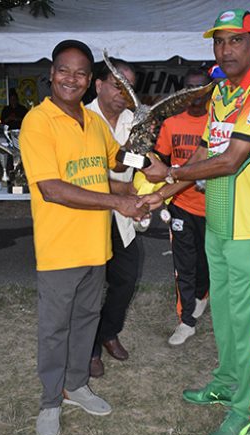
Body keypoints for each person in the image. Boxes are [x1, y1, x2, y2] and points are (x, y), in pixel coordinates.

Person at [140, 9, 250, 435]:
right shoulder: (221, 91)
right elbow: (204, 150)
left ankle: (247, 412)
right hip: (218, 222)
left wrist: (168, 175)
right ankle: (225, 382)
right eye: (219, 42)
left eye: (236, 40)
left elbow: (228, 160)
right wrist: (161, 191)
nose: (226, 49)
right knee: (222, 313)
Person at [18, 39, 149, 435]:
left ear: (89, 80)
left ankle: (76, 386)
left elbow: (115, 160)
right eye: (63, 70)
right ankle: (50, 401)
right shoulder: (38, 122)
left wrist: (148, 162)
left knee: (86, 321)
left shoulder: (93, 123)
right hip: (60, 249)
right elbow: (52, 189)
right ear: (52, 74)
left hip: (97, 247)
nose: (70, 78)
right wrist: (118, 201)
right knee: (55, 329)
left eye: (79, 73)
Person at [84, 58, 141, 378]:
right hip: (88, 216)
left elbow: (142, 161)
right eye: (118, 84)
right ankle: (90, 349)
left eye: (130, 87)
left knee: (125, 280)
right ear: (99, 85)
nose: (124, 93)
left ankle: (108, 332)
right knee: (91, 287)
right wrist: (123, 189)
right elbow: (73, 179)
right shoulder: (81, 117)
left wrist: (148, 190)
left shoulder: (134, 119)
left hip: (123, 217)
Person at [152, 67, 213, 346]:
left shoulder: (219, 122)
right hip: (182, 206)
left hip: (215, 207)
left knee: (207, 263)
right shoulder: (172, 123)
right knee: (184, 265)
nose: (194, 95)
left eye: (199, 89)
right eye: (188, 89)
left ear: (209, 89)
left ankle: (203, 294)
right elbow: (160, 163)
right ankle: (186, 321)